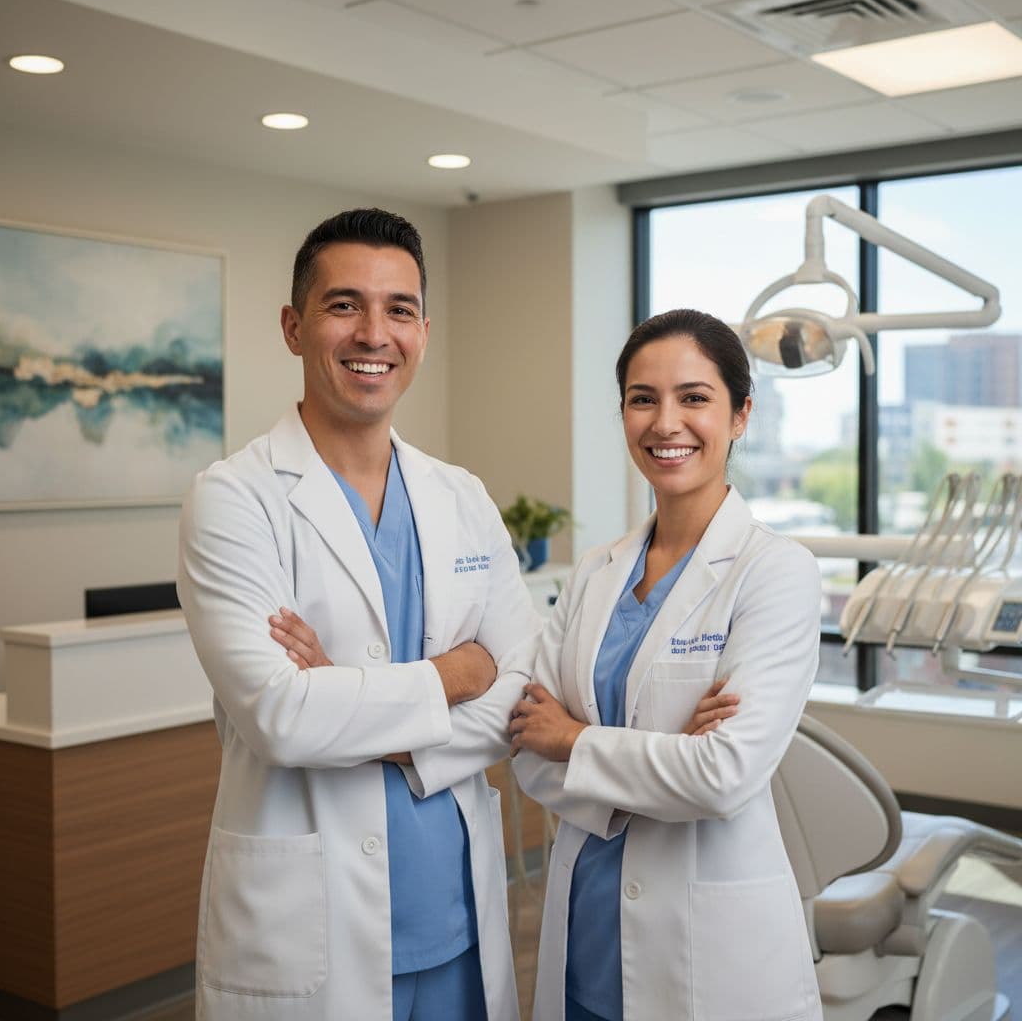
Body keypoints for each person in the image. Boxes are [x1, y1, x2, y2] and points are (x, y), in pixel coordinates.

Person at [177, 208, 541, 1021]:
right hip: (308, 930)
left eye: (399, 309)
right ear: (294, 326)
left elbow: (516, 696)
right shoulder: (234, 499)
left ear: (422, 330)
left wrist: (346, 693)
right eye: (344, 305)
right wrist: (455, 673)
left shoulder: (462, 496)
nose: (373, 332)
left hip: (456, 917)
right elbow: (281, 718)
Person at [510, 308, 824, 1021]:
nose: (665, 422)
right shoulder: (597, 571)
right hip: (586, 929)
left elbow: (723, 777)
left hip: (707, 955)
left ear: (741, 415)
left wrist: (576, 741)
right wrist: (664, 760)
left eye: (694, 397)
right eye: (643, 399)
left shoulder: (776, 572)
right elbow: (528, 747)